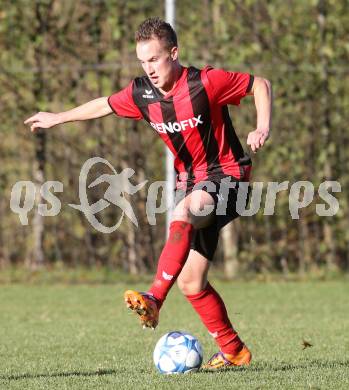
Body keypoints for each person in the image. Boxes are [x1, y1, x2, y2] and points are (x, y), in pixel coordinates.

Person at [24, 17, 272, 370]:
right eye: (142, 61)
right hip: (192, 182)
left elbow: (259, 84)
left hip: (229, 175)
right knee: (190, 282)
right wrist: (58, 117)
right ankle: (234, 351)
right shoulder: (143, 93)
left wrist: (262, 126)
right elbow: (104, 104)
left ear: (174, 53)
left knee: (185, 210)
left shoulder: (205, 82)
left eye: (154, 59)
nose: (149, 69)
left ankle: (154, 297)